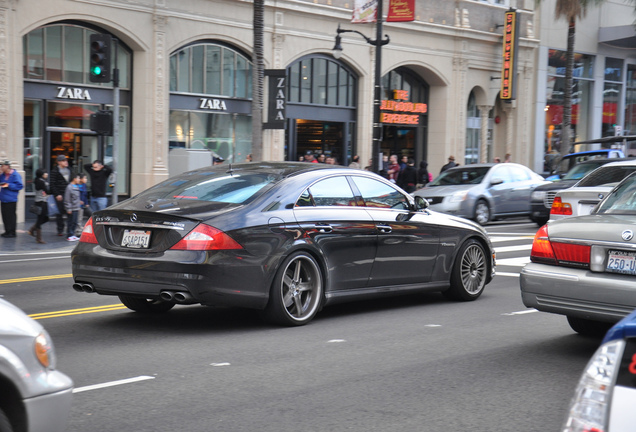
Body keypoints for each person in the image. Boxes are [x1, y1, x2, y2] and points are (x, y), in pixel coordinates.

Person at [0, 160, 24, 238]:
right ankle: (7, 231)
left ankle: (12, 232)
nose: (1, 167)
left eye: (2, 166)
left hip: (11, 199)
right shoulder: (2, 175)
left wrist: (8, 185)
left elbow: (20, 186)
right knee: (5, 216)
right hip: (3, 198)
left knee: (11, 216)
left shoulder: (15, 175)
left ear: (7, 166)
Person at [50, 154, 71, 236]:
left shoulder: (69, 170)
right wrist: (57, 194)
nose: (66, 162)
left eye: (66, 160)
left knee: (69, 212)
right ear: (59, 162)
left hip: (68, 194)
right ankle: (60, 229)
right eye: (63, 161)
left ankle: (70, 229)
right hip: (60, 195)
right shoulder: (55, 171)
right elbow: (52, 184)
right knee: (59, 213)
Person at [28, 169, 49, 244]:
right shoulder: (41, 181)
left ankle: (32, 229)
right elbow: (47, 191)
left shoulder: (37, 180)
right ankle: (38, 238)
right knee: (41, 219)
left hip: (38, 202)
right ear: (42, 174)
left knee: (45, 218)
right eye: (45, 173)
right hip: (42, 202)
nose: (46, 174)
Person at [64, 173, 81, 242]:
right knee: (70, 222)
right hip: (72, 208)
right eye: (78, 178)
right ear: (74, 179)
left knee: (74, 222)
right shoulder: (69, 187)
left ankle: (72, 234)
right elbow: (67, 199)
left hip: (76, 208)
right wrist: (68, 208)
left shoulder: (76, 186)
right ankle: (69, 235)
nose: (79, 179)